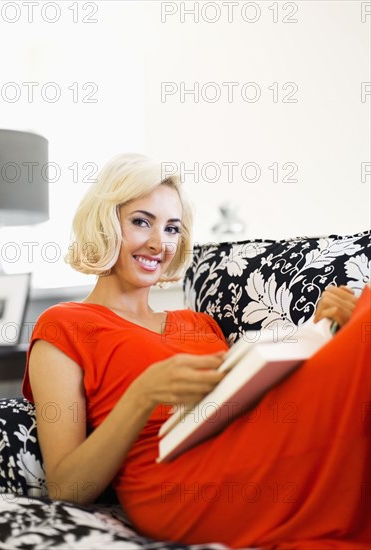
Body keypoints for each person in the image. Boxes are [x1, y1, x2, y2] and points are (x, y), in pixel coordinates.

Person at [23, 153, 370, 550]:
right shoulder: (63, 324)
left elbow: (249, 402)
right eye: (141, 221)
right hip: (174, 488)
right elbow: (66, 488)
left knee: (357, 328)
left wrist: (319, 331)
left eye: (172, 228)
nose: (159, 243)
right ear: (104, 223)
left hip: (249, 451)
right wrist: (143, 395)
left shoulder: (199, 323)